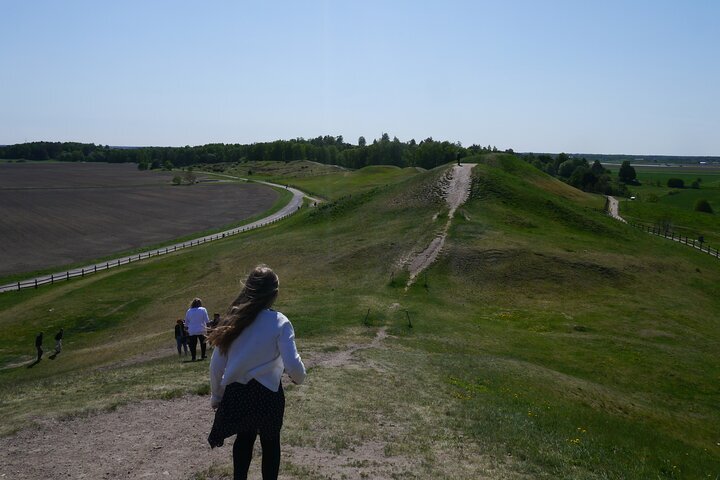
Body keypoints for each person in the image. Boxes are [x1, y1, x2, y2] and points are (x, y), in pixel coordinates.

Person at [207, 265, 306, 480]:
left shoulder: (233, 321)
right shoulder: (280, 322)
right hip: (268, 394)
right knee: (271, 443)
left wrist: (217, 395)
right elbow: (293, 365)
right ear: (275, 294)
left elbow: (216, 365)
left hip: (238, 393)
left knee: (244, 439)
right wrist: (299, 378)